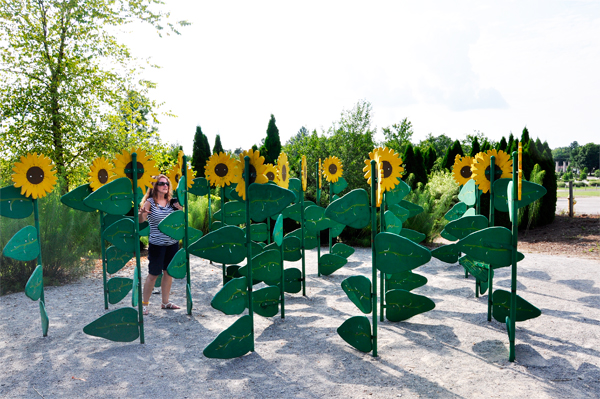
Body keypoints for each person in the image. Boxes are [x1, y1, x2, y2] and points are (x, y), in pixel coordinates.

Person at [138, 174, 183, 315]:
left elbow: (181, 220)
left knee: (168, 273)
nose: (165, 186)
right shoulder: (150, 202)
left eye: (167, 184)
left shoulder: (173, 202)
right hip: (157, 245)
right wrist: (142, 213)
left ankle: (165, 302)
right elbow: (141, 220)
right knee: (153, 274)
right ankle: (144, 304)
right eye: (162, 183)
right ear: (155, 186)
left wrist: (181, 210)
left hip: (172, 244)